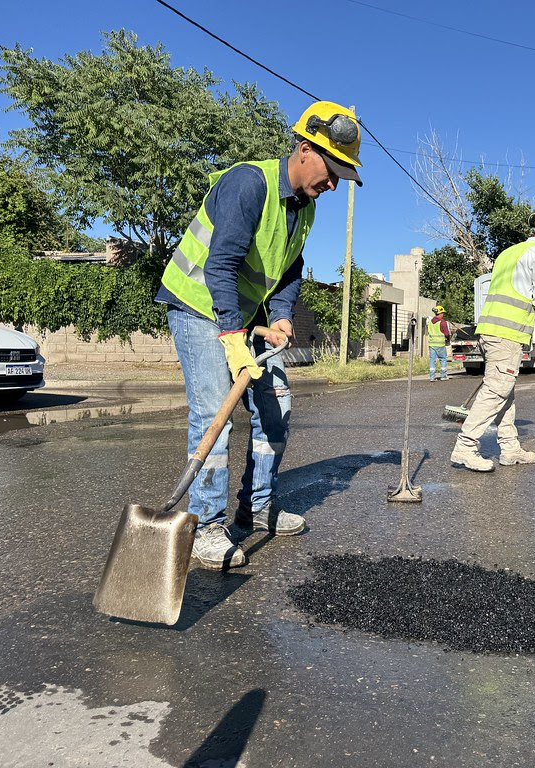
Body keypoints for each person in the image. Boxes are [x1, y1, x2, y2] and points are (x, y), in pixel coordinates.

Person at [156, 101, 363, 569]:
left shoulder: (305, 208)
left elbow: (290, 268)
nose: (333, 184)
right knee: (214, 413)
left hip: (243, 316)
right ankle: (206, 525)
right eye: (331, 171)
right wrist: (233, 334)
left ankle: (256, 508)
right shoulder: (248, 183)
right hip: (196, 305)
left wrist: (283, 315)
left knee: (276, 406)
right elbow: (221, 264)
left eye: (341, 176)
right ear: (304, 149)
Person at [449, 209, 535, 472]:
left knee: (505, 392)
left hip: (489, 330)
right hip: (508, 333)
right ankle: (465, 446)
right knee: (497, 390)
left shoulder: (509, 252)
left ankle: (509, 447)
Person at [427, 305, 451, 381]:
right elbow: (447, 334)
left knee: (432, 360)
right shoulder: (443, 322)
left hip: (432, 344)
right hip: (440, 345)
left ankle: (432, 377)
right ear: (440, 313)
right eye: (442, 313)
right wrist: (448, 340)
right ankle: (443, 376)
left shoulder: (430, 322)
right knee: (443, 359)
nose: (443, 314)